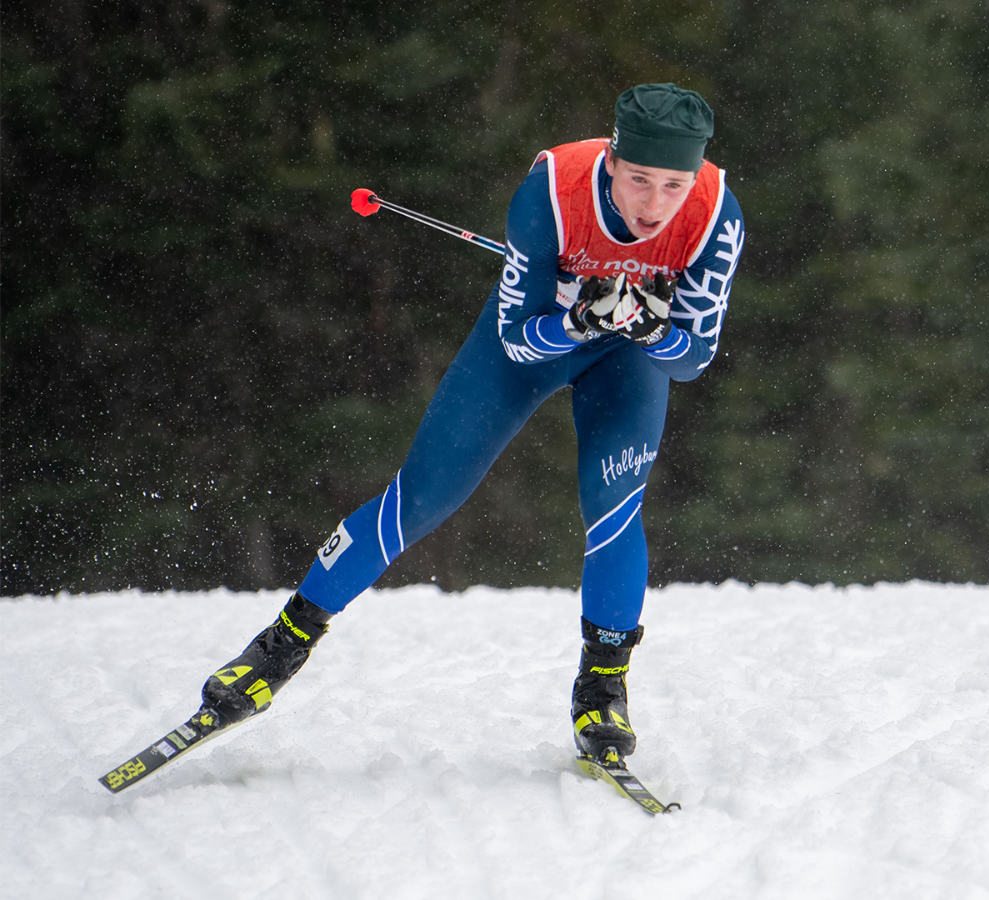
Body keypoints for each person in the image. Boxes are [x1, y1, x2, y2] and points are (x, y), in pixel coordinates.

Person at [195, 84, 744, 768]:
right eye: (639, 180)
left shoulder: (716, 213)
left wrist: (648, 328)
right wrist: (581, 319)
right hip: (538, 341)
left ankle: (602, 688)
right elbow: (517, 340)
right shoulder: (552, 192)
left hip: (629, 358)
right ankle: (278, 648)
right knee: (422, 498)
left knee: (614, 509)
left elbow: (693, 360)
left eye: (673, 185)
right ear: (611, 161)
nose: (655, 205)